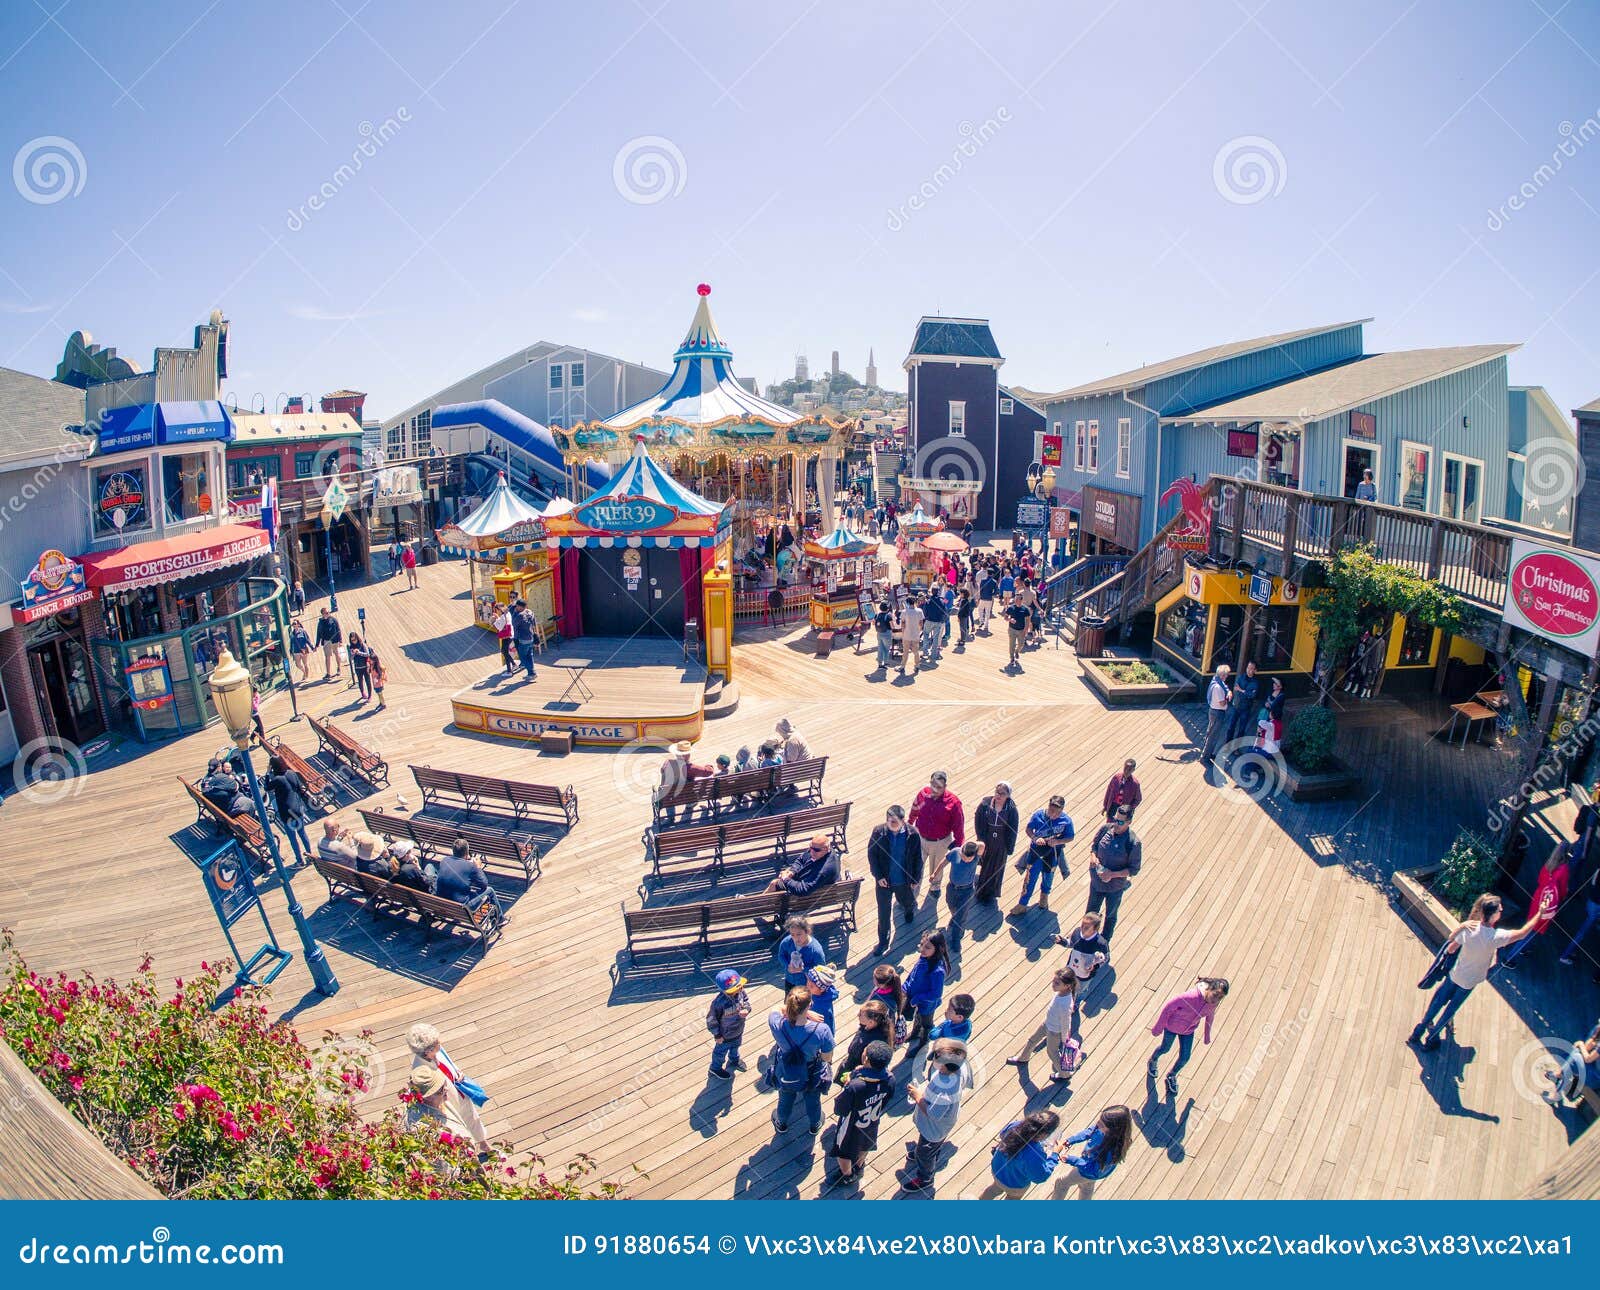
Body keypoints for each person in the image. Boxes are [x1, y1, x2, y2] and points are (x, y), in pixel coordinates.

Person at [1410, 894, 1542, 1049]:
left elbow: (1451, 948)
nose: (1501, 911)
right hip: (1470, 981)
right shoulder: (1495, 937)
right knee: (1450, 1010)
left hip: (1455, 974)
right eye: (1499, 910)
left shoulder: (1469, 929)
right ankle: (1431, 1039)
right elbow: (1523, 933)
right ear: (1492, 915)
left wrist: (1462, 927)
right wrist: (1540, 913)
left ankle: (1418, 1032)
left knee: (1437, 1003)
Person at [407, 1021, 490, 1155]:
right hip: (446, 1102)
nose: (440, 1043)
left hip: (458, 1091)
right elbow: (428, 1093)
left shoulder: (437, 1050)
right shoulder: (420, 1070)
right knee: (460, 1127)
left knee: (472, 1116)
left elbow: (449, 1062)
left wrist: (457, 1072)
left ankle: (484, 1144)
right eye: (436, 1043)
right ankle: (470, 1152)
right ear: (428, 1051)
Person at [901, 1037, 972, 1191]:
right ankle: (930, 1151)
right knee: (928, 1145)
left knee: (925, 1153)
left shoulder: (947, 1090)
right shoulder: (960, 1068)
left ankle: (925, 1178)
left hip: (935, 1127)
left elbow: (933, 1114)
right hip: (941, 1122)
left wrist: (917, 1095)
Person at [827, 1040, 895, 1189]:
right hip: (872, 1121)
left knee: (843, 1152)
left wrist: (849, 1083)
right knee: (865, 1144)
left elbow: (840, 1109)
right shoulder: (890, 1079)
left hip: (851, 1125)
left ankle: (847, 1174)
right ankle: (859, 1165)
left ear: (866, 1060)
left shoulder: (856, 1086)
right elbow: (887, 1098)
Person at [768, 987, 834, 1135]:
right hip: (811, 1071)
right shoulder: (821, 1029)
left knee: (785, 1098)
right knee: (813, 1100)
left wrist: (801, 1011)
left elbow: (776, 1008)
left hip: (786, 1070)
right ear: (810, 1005)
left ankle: (781, 1123)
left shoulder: (777, 1024)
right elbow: (827, 1056)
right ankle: (815, 1124)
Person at [1149, 976, 1229, 1095]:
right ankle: (1153, 1060)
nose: (1216, 999)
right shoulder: (1190, 997)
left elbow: (1210, 1017)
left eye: (1220, 997)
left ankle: (1172, 1075)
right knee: (1165, 1048)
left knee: (1185, 1057)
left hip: (1188, 1031)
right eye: (1215, 994)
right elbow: (1168, 1008)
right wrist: (1158, 1027)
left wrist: (1207, 1035)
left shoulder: (1213, 1004)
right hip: (1171, 1027)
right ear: (1209, 989)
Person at [1500, 842, 1571, 970]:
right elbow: (1562, 889)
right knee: (1532, 931)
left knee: (1531, 925)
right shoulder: (1564, 869)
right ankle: (1509, 957)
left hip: (1538, 897)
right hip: (1548, 902)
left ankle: (1521, 949)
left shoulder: (1548, 864)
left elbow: (1540, 880)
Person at [1005, 967, 1081, 1080]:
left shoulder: (1065, 1004)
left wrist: (1065, 1039)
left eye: (1057, 983)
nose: (1053, 984)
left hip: (1055, 1031)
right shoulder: (1061, 993)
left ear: (1066, 986)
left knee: (1052, 1053)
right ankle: (1023, 1057)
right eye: (1054, 981)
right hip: (1048, 1023)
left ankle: (1064, 1074)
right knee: (1032, 1040)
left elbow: (1066, 1023)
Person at [867, 805, 924, 956]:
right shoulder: (878, 832)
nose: (891, 824)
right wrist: (878, 876)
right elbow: (872, 856)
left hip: (903, 880)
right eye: (889, 821)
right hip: (884, 882)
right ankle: (883, 942)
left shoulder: (913, 834)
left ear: (903, 821)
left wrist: (915, 878)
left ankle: (909, 910)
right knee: (883, 913)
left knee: (907, 902)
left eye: (894, 821)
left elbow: (918, 858)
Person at [1085, 805, 1142, 948]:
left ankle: (1104, 942)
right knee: (1091, 912)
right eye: (1116, 819)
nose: (1116, 824)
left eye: (1121, 822)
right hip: (1097, 882)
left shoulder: (1133, 843)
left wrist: (1112, 874)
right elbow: (1094, 847)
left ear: (1129, 822)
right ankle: (1086, 937)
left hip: (1114, 887)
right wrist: (1093, 857)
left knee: (1110, 915)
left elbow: (1133, 870)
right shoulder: (1106, 829)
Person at [1011, 794, 1075, 916]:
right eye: (1051, 811)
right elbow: (1028, 829)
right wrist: (1035, 838)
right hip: (1036, 853)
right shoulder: (1038, 816)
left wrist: (1058, 841)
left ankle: (1044, 897)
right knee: (1030, 879)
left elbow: (1070, 837)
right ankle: (1022, 904)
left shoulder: (1066, 821)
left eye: (1057, 813)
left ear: (1062, 810)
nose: (1053, 815)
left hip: (1053, 853)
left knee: (1048, 877)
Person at [1053, 1105, 1132, 1199]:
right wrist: (1070, 1140)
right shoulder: (1113, 1133)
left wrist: (1071, 1159)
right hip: (1097, 1172)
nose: (1097, 1123)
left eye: (1102, 1124)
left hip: (1087, 1171)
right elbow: (1090, 1131)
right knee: (1087, 1188)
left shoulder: (1110, 1150)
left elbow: (1091, 1168)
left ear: (1112, 1130)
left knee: (1061, 1183)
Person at [909, 770, 964, 897]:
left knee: (937, 867)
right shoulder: (923, 794)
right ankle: (912, 888)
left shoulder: (954, 803)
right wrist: (909, 825)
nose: (934, 789)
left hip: (940, 842)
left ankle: (935, 887)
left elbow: (958, 826)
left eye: (939, 787)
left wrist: (958, 846)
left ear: (945, 787)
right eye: (933, 785)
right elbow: (915, 809)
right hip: (920, 838)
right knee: (915, 864)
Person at [986, 1110, 1061, 1198]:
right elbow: (1041, 1177)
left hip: (997, 1171)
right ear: (1043, 1135)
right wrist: (1055, 1155)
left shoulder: (1015, 1125)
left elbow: (1002, 1134)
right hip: (1015, 1184)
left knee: (994, 1189)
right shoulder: (1034, 1154)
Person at [404, 1066, 477, 1149]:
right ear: (427, 1096)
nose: (446, 1088)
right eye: (441, 1088)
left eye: (444, 1082)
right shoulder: (427, 1129)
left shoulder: (435, 1100)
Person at [903, 931, 950, 1053]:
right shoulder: (924, 957)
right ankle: (914, 1033)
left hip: (927, 1003)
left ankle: (923, 1044)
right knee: (917, 1018)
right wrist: (905, 987)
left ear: (938, 949)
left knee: (926, 1023)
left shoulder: (937, 971)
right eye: (922, 944)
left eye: (927, 947)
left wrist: (917, 998)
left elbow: (936, 994)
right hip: (915, 998)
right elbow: (913, 973)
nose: (922, 949)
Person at [973, 782, 1020, 905]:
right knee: (985, 865)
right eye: (997, 792)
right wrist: (980, 837)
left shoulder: (1011, 809)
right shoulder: (985, 804)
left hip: (1001, 841)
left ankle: (990, 893)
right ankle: (980, 891)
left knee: (996, 868)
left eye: (1002, 794)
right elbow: (978, 819)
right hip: (987, 839)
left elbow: (1013, 828)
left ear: (1008, 796)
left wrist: (1010, 846)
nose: (998, 795)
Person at [265, 754, 314, 865]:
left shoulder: (277, 779)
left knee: (293, 838)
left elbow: (266, 787)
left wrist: (268, 772)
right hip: (297, 808)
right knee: (302, 834)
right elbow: (299, 788)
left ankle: (299, 860)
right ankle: (310, 856)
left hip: (287, 812)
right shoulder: (292, 773)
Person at [436, 838, 500, 918]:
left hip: (442, 903)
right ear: (467, 852)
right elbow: (484, 884)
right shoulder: (470, 866)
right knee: (490, 890)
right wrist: (478, 867)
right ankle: (500, 919)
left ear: (453, 850)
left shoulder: (444, 860)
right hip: (462, 908)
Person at [764, 833, 841, 899]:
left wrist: (786, 879)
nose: (812, 852)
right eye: (811, 848)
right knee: (780, 879)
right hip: (811, 885)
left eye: (816, 850)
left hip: (812, 896)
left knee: (774, 884)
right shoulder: (819, 849)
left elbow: (803, 890)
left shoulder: (824, 869)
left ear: (826, 848)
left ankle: (757, 907)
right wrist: (792, 871)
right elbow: (800, 860)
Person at [835, 999, 896, 1082]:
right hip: (850, 1061)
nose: (857, 1015)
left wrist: (856, 1073)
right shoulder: (866, 1026)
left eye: (860, 1014)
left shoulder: (877, 1041)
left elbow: (872, 1063)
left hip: (857, 1069)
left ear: (871, 1022)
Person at [706, 969, 751, 1079]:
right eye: (737, 987)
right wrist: (717, 1035)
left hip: (738, 1030)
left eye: (741, 985)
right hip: (724, 1035)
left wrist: (747, 1009)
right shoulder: (718, 1003)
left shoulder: (741, 992)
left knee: (736, 1046)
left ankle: (734, 1059)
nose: (741, 988)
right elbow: (711, 1020)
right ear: (726, 991)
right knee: (720, 1053)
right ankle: (715, 1068)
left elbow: (746, 1001)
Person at [943, 839, 981, 953]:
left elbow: (982, 845)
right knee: (950, 905)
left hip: (967, 890)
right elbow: (945, 861)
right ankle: (955, 919)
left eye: (969, 858)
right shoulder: (955, 852)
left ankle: (956, 940)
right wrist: (935, 873)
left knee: (961, 916)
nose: (966, 860)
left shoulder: (976, 858)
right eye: (964, 857)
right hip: (952, 887)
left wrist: (972, 844)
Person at [1055, 911, 1110, 984]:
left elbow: (1106, 957)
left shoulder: (1100, 943)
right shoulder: (1077, 932)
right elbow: (1071, 943)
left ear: (1095, 929)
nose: (1083, 929)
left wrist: (1095, 966)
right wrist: (1062, 941)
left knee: (1080, 991)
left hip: (1085, 976)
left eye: (1087, 928)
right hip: (1071, 968)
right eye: (1082, 925)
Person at [775, 915, 827, 987]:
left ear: (807, 931)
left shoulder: (815, 950)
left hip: (807, 984)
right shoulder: (787, 942)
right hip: (790, 980)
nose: (795, 938)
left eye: (799, 934)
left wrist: (803, 969)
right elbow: (781, 955)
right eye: (792, 934)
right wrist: (787, 966)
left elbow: (821, 969)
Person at [1200, 663, 1231, 763]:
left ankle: (1207, 753)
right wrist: (1228, 699)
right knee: (1213, 736)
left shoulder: (1216, 681)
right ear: (1223, 675)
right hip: (1218, 713)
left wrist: (1228, 692)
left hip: (1213, 711)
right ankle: (1205, 757)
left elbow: (1226, 688)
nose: (1226, 677)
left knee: (1211, 733)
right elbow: (1222, 703)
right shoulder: (1218, 687)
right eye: (1226, 675)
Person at [1225, 660, 1261, 748]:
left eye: (1252, 668)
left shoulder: (1255, 683)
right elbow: (1236, 689)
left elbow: (1252, 695)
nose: (1249, 670)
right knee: (1231, 727)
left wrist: (1242, 690)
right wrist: (1245, 692)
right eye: (1248, 668)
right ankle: (1227, 745)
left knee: (1242, 729)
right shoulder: (1240, 677)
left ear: (1255, 670)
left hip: (1246, 708)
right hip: (1236, 706)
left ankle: (1236, 748)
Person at [806, 964, 841, 1036]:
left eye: (812, 986)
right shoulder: (813, 993)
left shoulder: (824, 1009)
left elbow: (827, 1028)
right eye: (808, 981)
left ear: (822, 989)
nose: (808, 986)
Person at [510, 599, 538, 680]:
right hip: (531, 637)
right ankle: (531, 673)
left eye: (517, 606)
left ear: (519, 606)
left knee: (523, 658)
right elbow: (534, 623)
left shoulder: (519, 615)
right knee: (530, 656)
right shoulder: (530, 612)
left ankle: (532, 673)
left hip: (523, 639)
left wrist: (514, 612)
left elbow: (513, 624)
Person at [314, 607, 343, 681]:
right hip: (326, 641)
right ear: (322, 614)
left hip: (334, 640)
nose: (328, 614)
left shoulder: (333, 620)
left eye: (328, 612)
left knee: (337, 654)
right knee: (327, 657)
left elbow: (338, 629)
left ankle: (339, 668)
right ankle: (328, 673)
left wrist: (340, 640)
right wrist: (317, 644)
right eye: (326, 613)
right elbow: (318, 633)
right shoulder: (320, 623)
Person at [899, 595, 924, 677]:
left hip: (906, 634)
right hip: (916, 634)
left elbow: (902, 624)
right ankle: (917, 666)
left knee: (905, 652)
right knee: (916, 652)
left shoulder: (904, 612)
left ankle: (902, 666)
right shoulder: (919, 611)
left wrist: (903, 632)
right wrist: (918, 631)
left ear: (907, 603)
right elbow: (921, 623)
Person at [920, 588, 946, 663]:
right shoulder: (942, 600)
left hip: (929, 621)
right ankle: (934, 654)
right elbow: (945, 610)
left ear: (931, 592)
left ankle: (925, 652)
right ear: (938, 592)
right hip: (938, 622)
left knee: (926, 636)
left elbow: (924, 612)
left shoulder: (928, 601)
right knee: (935, 638)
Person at [1003, 598, 1031, 668]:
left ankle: (1016, 651)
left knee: (1021, 644)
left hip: (1021, 630)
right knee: (1012, 644)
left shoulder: (1025, 609)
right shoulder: (1011, 608)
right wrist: (1010, 619)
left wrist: (1026, 630)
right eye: (1016, 600)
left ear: (1021, 600)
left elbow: (1028, 620)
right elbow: (1005, 617)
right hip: (1012, 629)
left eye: (1018, 600)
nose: (1017, 602)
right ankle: (1012, 658)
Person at [347, 631, 374, 703]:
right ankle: (362, 693)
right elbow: (350, 658)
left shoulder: (362, 644)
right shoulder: (351, 647)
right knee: (360, 681)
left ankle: (370, 695)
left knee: (368, 681)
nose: (354, 641)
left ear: (357, 638)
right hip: (357, 667)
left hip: (365, 666)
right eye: (352, 640)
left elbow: (367, 654)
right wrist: (353, 653)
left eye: (355, 639)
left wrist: (359, 652)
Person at [491, 603, 514, 674]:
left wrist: (494, 621)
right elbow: (502, 623)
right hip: (510, 634)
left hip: (506, 636)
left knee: (505, 652)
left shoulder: (503, 617)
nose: (496, 611)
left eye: (497, 610)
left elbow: (499, 627)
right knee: (504, 651)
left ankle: (509, 671)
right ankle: (513, 664)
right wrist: (498, 618)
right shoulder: (508, 613)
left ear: (500, 609)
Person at [873, 600, 895, 671]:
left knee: (880, 648)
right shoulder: (888, 616)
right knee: (886, 649)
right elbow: (892, 627)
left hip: (879, 633)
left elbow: (873, 623)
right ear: (887, 609)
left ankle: (880, 664)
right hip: (887, 634)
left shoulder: (877, 615)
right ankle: (885, 662)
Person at [288, 617, 312, 682]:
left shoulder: (303, 631)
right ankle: (304, 672)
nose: (294, 625)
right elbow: (291, 642)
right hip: (296, 650)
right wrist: (291, 650)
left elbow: (307, 640)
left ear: (298, 624)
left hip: (303, 650)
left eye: (295, 623)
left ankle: (307, 676)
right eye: (293, 624)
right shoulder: (292, 634)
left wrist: (311, 647)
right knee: (298, 664)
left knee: (305, 663)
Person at [977, 568, 998, 634]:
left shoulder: (983, 581)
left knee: (980, 610)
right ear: (992, 574)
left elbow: (980, 589)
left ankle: (981, 621)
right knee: (987, 612)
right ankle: (986, 625)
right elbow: (996, 591)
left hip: (983, 597)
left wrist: (981, 595)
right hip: (989, 598)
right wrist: (992, 594)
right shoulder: (994, 582)